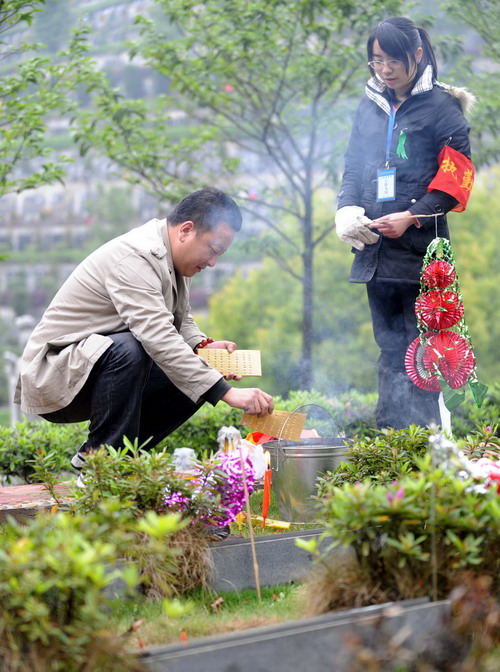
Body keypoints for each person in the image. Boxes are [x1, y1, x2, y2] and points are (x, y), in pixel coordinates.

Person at [15, 187, 274, 474]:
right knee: (134, 348)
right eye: (213, 250)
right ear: (186, 230)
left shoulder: (173, 259)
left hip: (94, 371)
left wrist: (202, 347)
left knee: (196, 371)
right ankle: (101, 467)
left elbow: (179, 318)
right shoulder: (135, 257)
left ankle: (115, 459)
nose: (213, 263)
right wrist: (227, 393)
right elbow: (158, 336)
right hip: (56, 375)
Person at [335, 17, 475, 429]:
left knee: (421, 350)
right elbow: (353, 168)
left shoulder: (442, 108)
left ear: (416, 55)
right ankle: (390, 444)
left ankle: (423, 447)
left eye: (393, 60)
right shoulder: (369, 106)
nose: (384, 70)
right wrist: (346, 210)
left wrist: (412, 216)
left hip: (421, 253)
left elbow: (457, 180)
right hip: (374, 250)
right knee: (388, 349)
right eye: (376, 62)